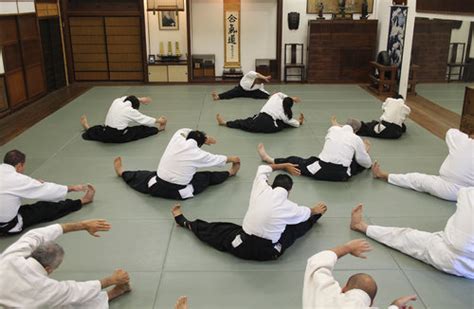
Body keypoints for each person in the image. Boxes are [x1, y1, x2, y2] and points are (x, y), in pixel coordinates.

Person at [171, 164, 328, 261]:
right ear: (290, 190)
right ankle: (318, 217)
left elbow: (262, 169)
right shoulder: (290, 207)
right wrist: (316, 211)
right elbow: (307, 212)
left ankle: (185, 222)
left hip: (240, 247)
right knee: (295, 228)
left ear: (272, 185)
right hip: (269, 253)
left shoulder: (261, 188)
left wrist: (284, 165)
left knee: (217, 229)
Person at [0, 219, 131, 307]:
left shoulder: (11, 256)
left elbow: (35, 234)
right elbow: (75, 291)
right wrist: (112, 280)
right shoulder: (45, 289)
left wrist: (83, 225)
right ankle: (111, 294)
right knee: (65, 303)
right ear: (49, 269)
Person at [350, 188, 474, 279]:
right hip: (468, 266)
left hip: (442, 253)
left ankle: (361, 226)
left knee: (405, 236)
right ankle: (361, 226)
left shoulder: (468, 193)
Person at [114, 128, 241, 200]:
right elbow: (218, 159)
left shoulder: (177, 139)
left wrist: (204, 136)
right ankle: (230, 173)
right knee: (207, 177)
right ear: (201, 144)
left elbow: (183, 130)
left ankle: (122, 172)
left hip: (156, 187)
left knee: (142, 175)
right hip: (179, 192)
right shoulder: (200, 154)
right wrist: (233, 159)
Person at [0, 149, 95, 235]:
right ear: (20, 165)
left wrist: (33, 183)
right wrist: (71, 188)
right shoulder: (17, 179)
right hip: (7, 226)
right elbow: (48, 191)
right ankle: (83, 200)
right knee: (45, 207)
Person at [303, 239, 417, 308]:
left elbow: (316, 263)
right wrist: (395, 305)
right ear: (371, 303)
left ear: (344, 289)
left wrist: (347, 247)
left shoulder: (325, 294)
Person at [258, 116, 372, 182]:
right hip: (341, 175)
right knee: (358, 160)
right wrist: (365, 152)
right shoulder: (356, 138)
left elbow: (339, 129)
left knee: (296, 160)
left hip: (320, 171)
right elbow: (366, 163)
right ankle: (363, 151)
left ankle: (269, 159)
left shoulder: (333, 129)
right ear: (356, 131)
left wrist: (335, 125)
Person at [372, 128, 474, 201]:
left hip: (454, 191)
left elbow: (451, 132)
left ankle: (382, 175)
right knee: (417, 179)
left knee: (416, 179)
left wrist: (468, 137)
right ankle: (384, 175)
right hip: (454, 189)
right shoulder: (463, 142)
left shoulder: (462, 141)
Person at [80, 95, 167, 143]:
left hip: (106, 131)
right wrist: (159, 121)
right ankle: (159, 129)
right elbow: (143, 119)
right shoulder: (129, 110)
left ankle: (88, 128)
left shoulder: (117, 101)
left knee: (99, 129)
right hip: (119, 135)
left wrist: (140, 99)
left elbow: (126, 97)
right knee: (139, 130)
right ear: (134, 107)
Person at [216, 92, 304, 133]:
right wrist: (298, 122)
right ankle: (300, 121)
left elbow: (279, 93)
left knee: (244, 122)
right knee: (283, 123)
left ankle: (224, 122)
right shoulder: (285, 113)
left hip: (258, 120)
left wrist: (292, 98)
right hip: (270, 127)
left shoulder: (275, 97)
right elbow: (291, 123)